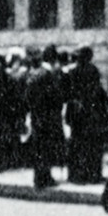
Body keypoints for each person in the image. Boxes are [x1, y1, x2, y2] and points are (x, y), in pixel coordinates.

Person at [64, 46, 107, 184]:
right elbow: (98, 92)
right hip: (90, 113)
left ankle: (76, 175)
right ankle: (93, 174)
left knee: (77, 145)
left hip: (78, 114)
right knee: (91, 145)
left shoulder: (72, 71)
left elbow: (67, 94)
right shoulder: (93, 70)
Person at [25, 47, 64, 189]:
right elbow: (55, 96)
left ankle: (39, 177)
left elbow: (27, 97)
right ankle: (45, 178)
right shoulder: (47, 74)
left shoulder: (31, 75)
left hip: (36, 115)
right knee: (46, 147)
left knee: (38, 147)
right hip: (47, 115)